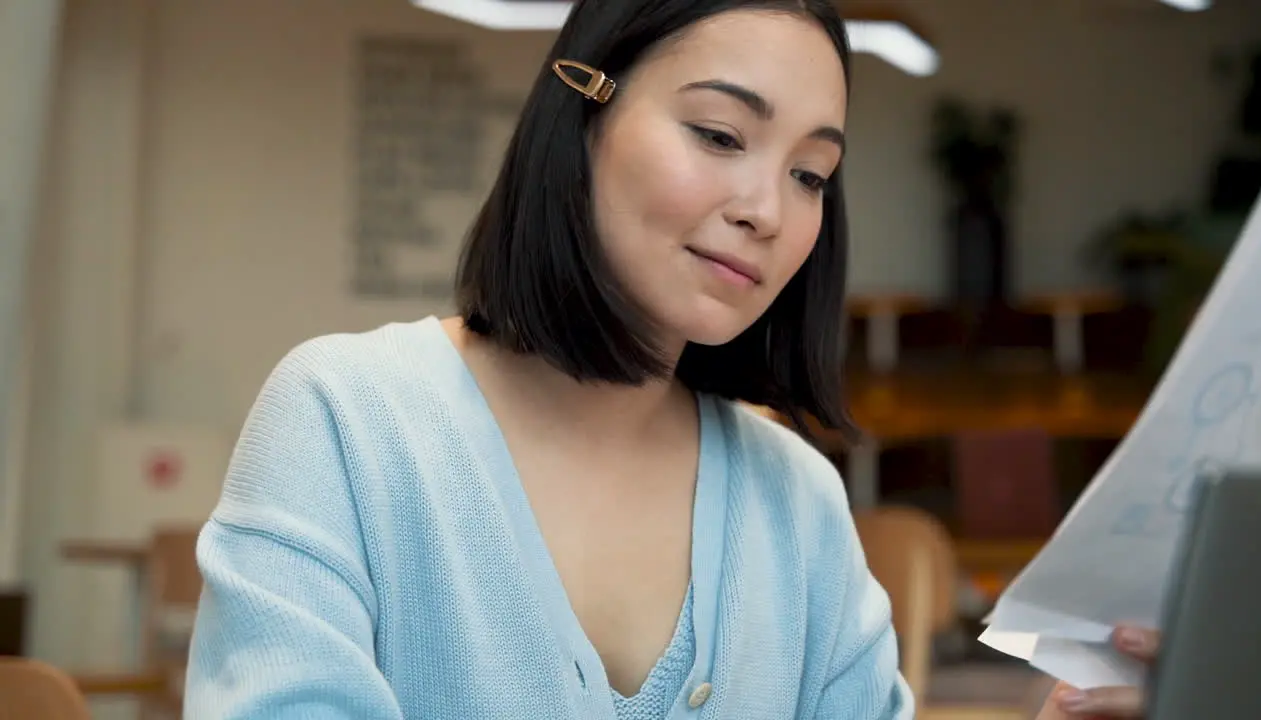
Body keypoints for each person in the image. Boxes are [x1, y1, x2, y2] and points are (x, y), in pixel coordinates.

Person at [181, 0, 1151, 717]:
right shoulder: (348, 422)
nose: (766, 210)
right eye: (719, 134)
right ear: (583, 115)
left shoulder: (795, 501)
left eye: (809, 173)